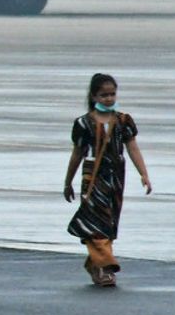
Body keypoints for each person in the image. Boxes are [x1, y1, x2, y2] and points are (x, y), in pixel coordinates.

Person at [64, 74, 153, 287]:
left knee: (109, 222)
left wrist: (144, 174)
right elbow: (77, 153)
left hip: (115, 177)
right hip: (93, 177)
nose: (109, 99)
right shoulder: (84, 123)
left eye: (112, 94)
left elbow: (132, 148)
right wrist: (68, 182)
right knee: (96, 222)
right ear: (94, 96)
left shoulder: (123, 121)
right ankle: (106, 266)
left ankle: (96, 264)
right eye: (104, 95)